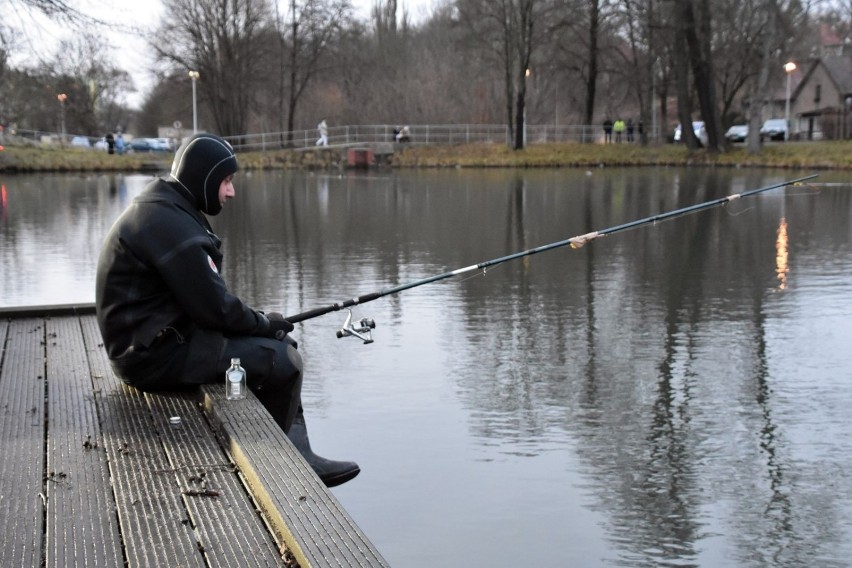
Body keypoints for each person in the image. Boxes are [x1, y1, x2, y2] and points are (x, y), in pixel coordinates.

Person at [95, 132, 359, 487]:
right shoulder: (173, 228)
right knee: (283, 361)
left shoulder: (164, 208)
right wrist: (264, 324)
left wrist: (261, 323)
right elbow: (215, 310)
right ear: (203, 177)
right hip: (149, 357)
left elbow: (207, 302)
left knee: (277, 347)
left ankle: (291, 451)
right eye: (226, 181)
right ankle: (286, 465)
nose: (230, 192)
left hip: (148, 341)